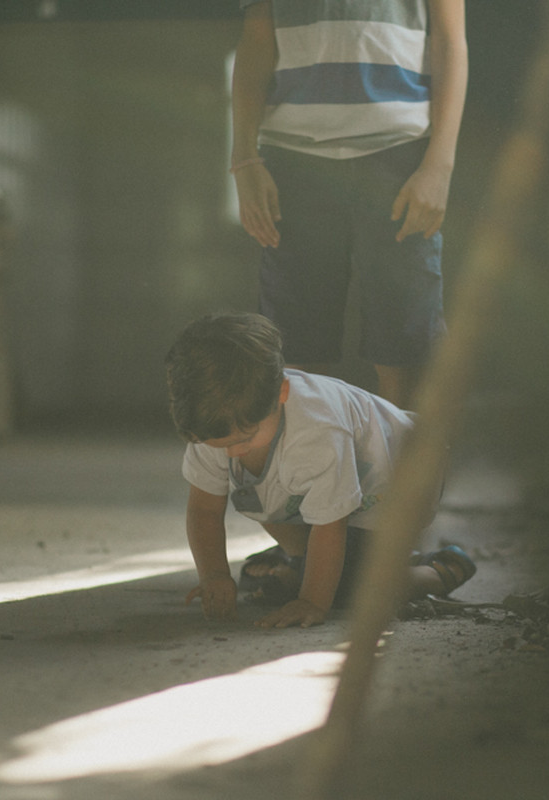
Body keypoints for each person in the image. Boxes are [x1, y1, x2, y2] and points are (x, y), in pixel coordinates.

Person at [165, 312, 476, 629]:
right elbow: (205, 510)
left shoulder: (317, 432)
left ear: (283, 393)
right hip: (326, 493)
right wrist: (214, 574)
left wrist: (311, 602)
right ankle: (299, 563)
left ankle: (441, 567)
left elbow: (330, 526)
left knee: (355, 590)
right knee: (268, 506)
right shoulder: (218, 416)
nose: (233, 453)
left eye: (244, 439)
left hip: (404, 481)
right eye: (220, 445)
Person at [230, 0, 468, 408]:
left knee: (408, 347)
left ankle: (412, 472)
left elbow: (449, 41)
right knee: (294, 353)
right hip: (294, 159)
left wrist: (439, 166)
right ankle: (310, 472)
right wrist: (244, 159)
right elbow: (256, 42)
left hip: (400, 157)